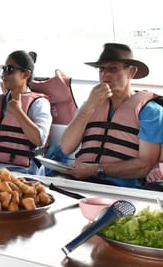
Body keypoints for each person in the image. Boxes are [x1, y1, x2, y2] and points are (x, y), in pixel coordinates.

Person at [60, 43, 163, 188]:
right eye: (101, 69)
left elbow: (146, 165)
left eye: (113, 68)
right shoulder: (90, 105)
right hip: (80, 183)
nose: (105, 74)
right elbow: (66, 147)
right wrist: (90, 105)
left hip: (121, 190)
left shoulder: (151, 112)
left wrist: (96, 169)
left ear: (131, 72)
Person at [0, 51, 52, 175]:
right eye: (3, 69)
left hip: (24, 173)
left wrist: (18, 112)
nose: (4, 74)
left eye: (10, 69)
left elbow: (39, 139)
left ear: (26, 74)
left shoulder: (39, 104)